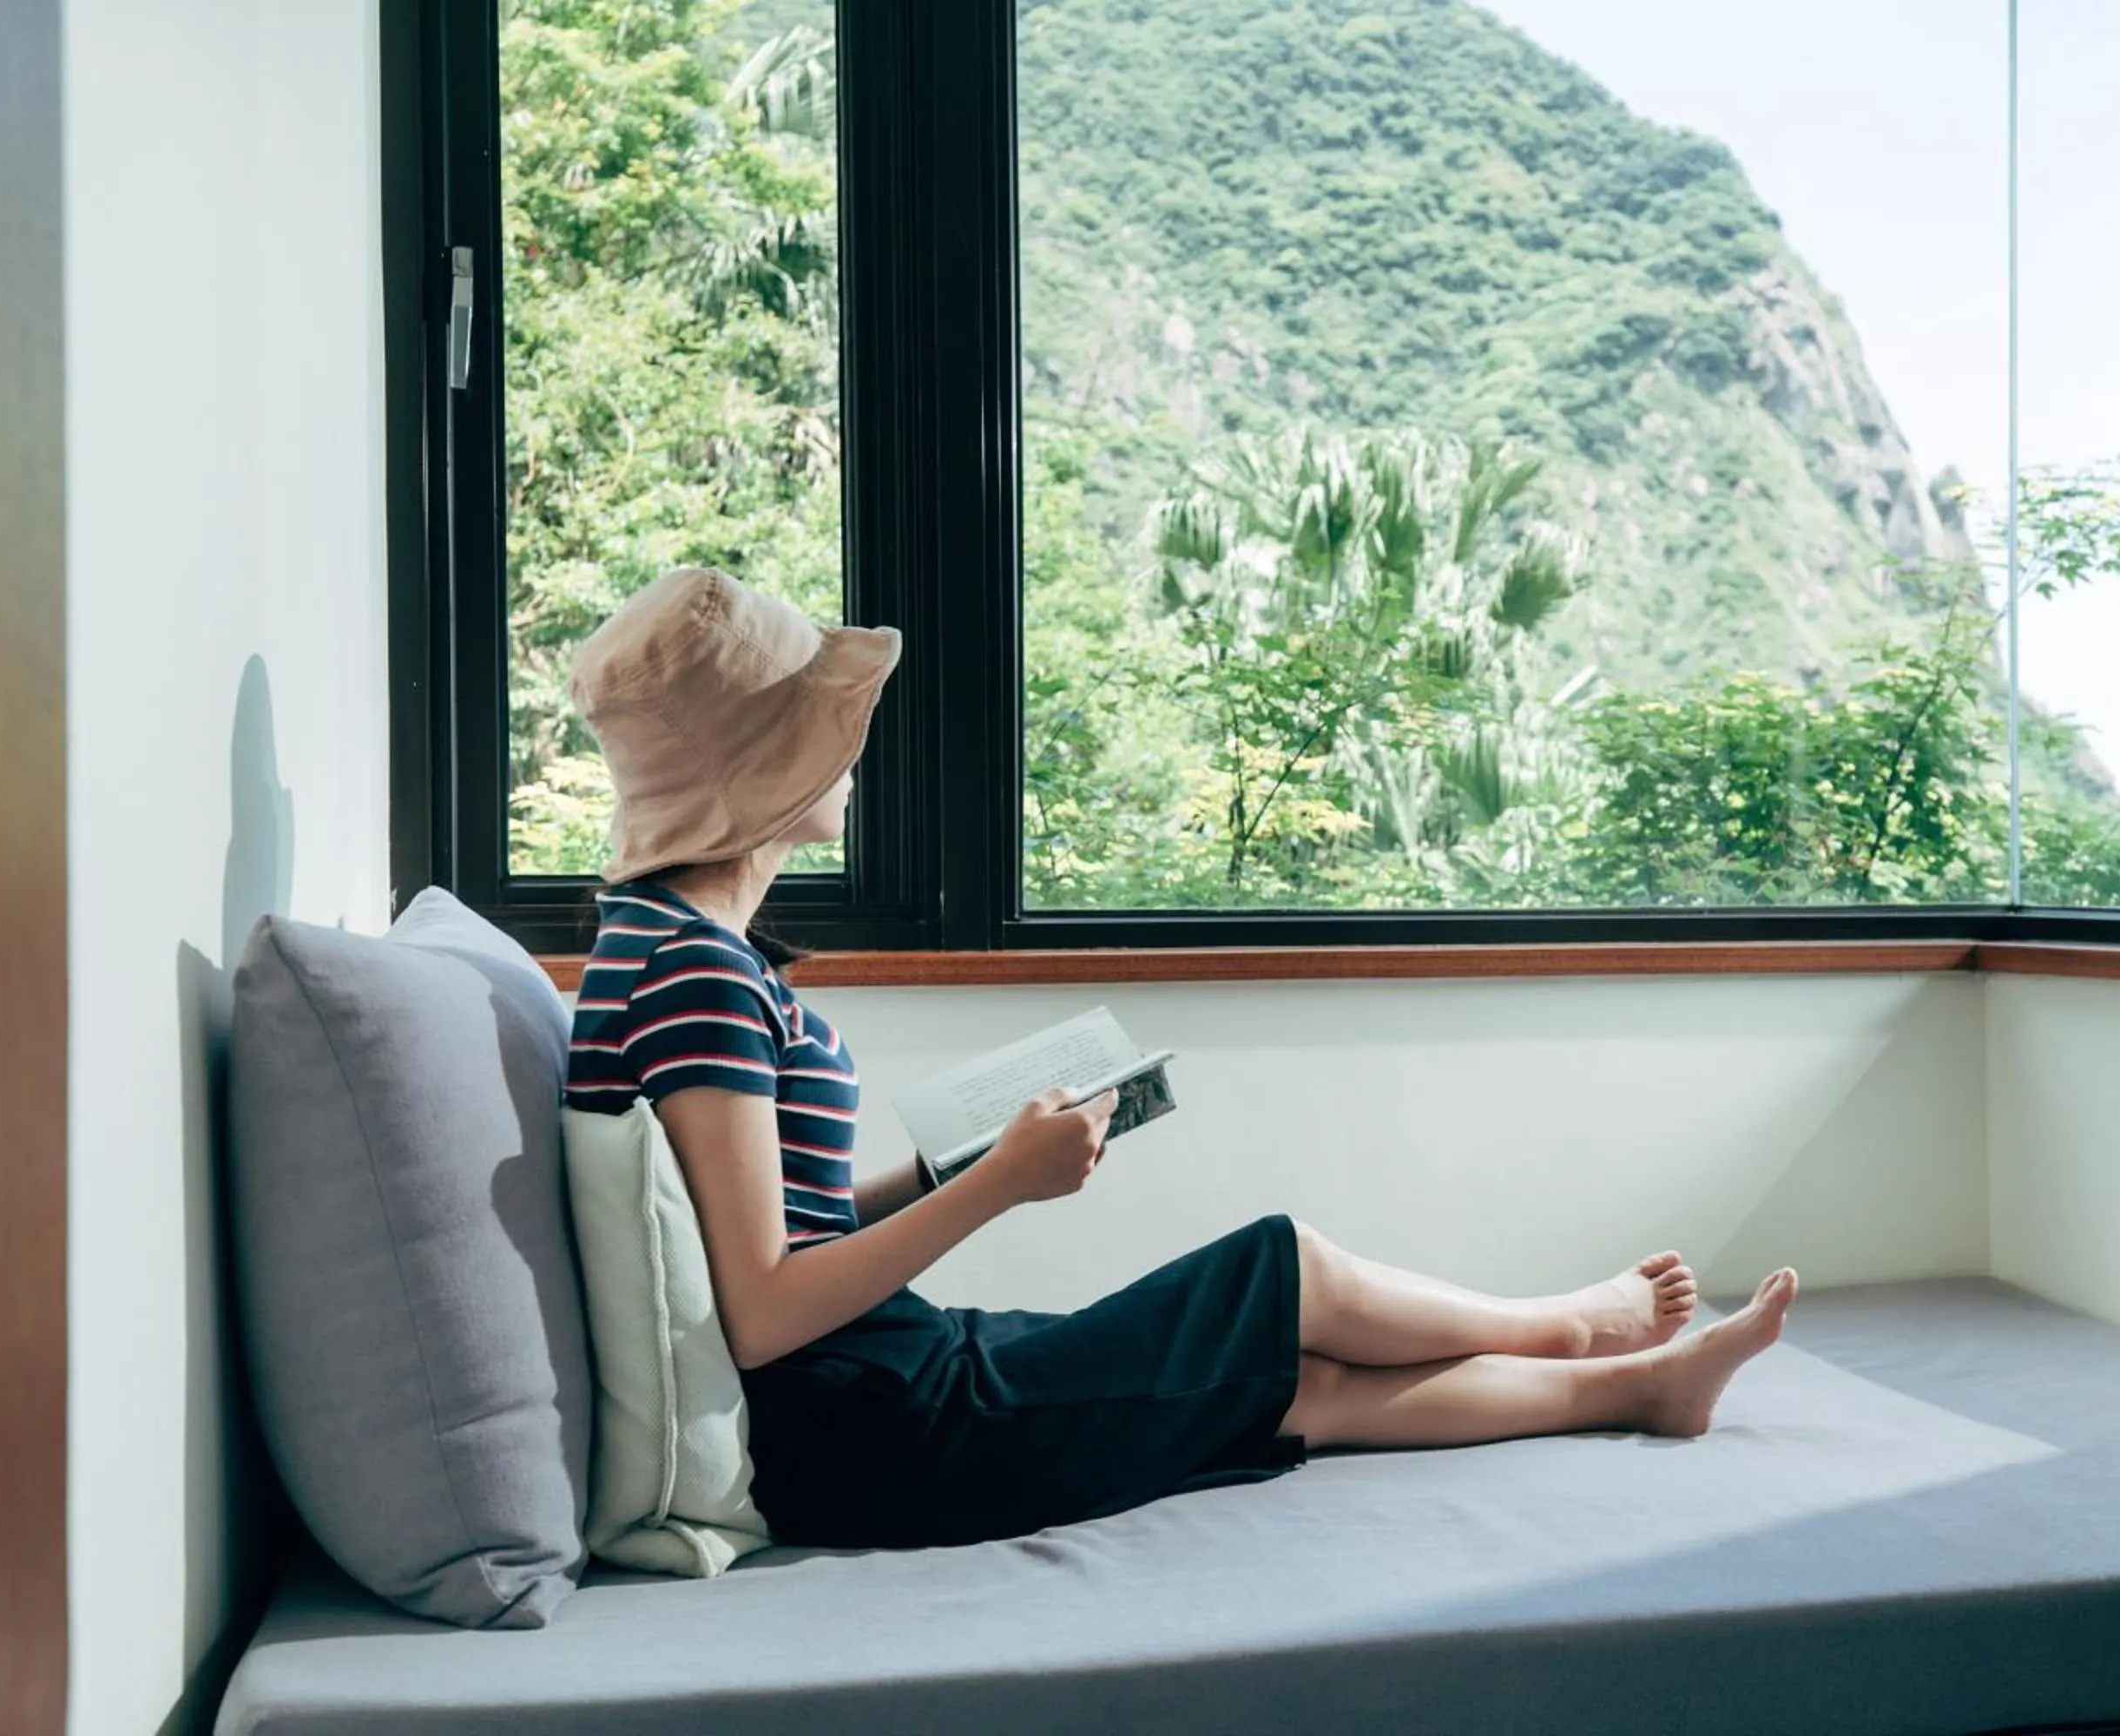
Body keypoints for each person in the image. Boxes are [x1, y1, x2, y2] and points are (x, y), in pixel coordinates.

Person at [564, 567, 1801, 1550]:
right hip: (879, 1433)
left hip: (881, 1381)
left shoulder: (667, 950)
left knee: (1291, 1380)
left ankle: (1639, 1391)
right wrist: (1003, 1187)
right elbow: (768, 1312)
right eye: (818, 724)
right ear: (767, 769)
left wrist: (965, 1165)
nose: (851, 744)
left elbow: (793, 1232)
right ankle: (1574, 1331)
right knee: (1284, 1269)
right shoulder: (698, 976)